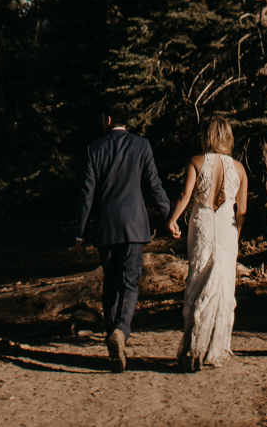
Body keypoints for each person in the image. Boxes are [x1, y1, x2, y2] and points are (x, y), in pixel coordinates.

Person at [73, 105, 171, 373]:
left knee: (111, 281)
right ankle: (121, 330)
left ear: (107, 120)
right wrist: (168, 215)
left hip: (105, 227)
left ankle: (111, 332)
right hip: (134, 225)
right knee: (129, 281)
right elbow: (154, 184)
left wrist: (81, 233)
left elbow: (87, 194)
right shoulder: (141, 145)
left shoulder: (95, 149)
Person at [165, 115, 248, 373]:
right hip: (226, 227)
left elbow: (185, 195)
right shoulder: (240, 169)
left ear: (207, 136)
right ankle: (214, 347)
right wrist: (235, 236)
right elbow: (242, 209)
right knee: (222, 286)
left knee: (198, 279)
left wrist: (172, 220)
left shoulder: (196, 162)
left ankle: (193, 348)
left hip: (201, 224)